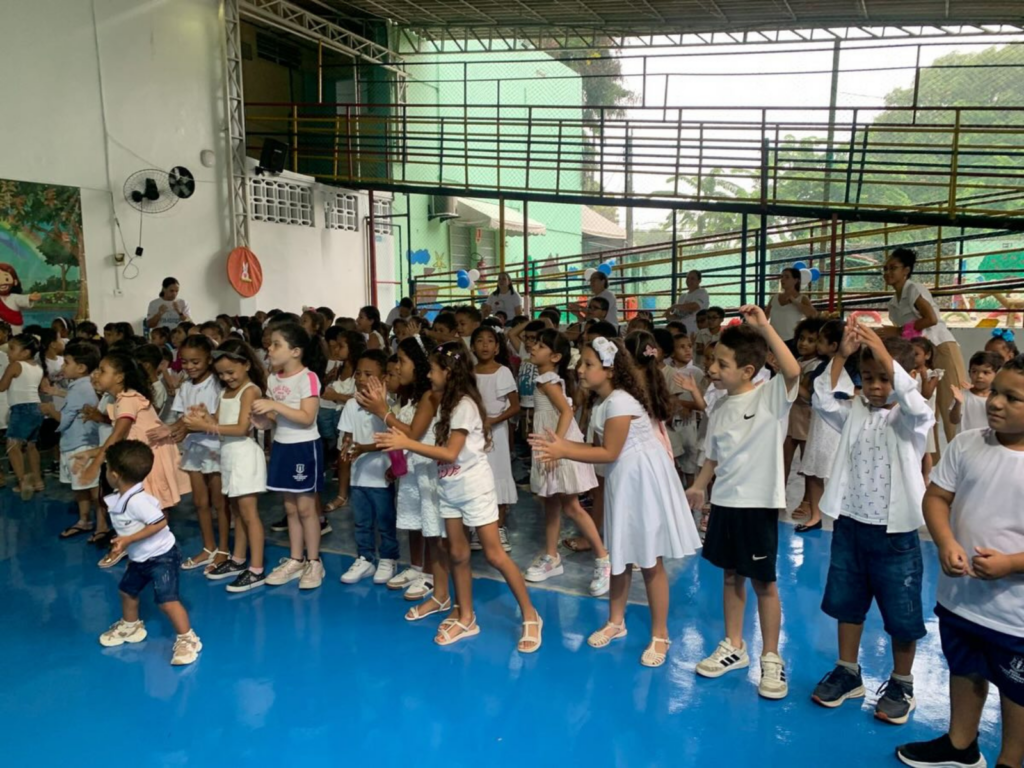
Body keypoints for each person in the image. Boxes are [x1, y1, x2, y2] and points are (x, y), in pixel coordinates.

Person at [530, 336, 701, 667]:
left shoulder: (620, 402)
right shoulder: (604, 402)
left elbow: (608, 451)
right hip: (625, 481)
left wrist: (563, 449)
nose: (580, 369)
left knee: (649, 560)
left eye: (588, 364)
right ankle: (616, 621)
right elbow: (603, 451)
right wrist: (561, 447)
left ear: (609, 370)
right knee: (619, 551)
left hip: (642, 484)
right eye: (581, 363)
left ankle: (660, 634)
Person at [896, 355, 1024, 768]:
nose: (995, 402)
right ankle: (960, 745)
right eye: (996, 392)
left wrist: (1011, 564)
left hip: (1014, 615)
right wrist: (946, 540)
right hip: (961, 597)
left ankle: (1011, 759)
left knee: (1017, 689)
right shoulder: (968, 443)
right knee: (964, 667)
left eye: (1012, 398)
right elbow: (937, 497)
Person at [375, 341, 543, 652]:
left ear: (449, 372)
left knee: (494, 554)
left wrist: (406, 443)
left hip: (474, 489)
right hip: (449, 487)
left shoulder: (464, 405)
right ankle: (466, 616)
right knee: (457, 553)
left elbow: (451, 452)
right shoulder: (445, 402)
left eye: (434, 370)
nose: (429, 375)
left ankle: (531, 615)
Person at [809, 326, 933, 725]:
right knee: (847, 603)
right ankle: (848, 672)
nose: (875, 387)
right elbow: (823, 399)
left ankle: (902, 683)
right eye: (868, 378)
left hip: (895, 535)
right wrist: (841, 357)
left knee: (902, 613)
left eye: (884, 378)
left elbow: (914, 402)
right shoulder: (856, 412)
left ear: (902, 377)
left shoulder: (911, 418)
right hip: (850, 527)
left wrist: (882, 350)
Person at [686, 305, 800, 700]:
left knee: (764, 582)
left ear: (748, 371)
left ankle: (771, 656)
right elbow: (713, 457)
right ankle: (735, 646)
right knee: (730, 576)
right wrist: (699, 487)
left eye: (722, 364)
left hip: (757, 505)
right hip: (725, 503)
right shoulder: (719, 406)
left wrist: (765, 328)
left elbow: (792, 370)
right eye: (713, 361)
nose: (712, 369)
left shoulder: (770, 397)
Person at [357, 338, 444, 611]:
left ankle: (431, 573)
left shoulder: (429, 396)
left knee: (429, 522)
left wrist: (382, 412)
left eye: (402, 361)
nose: (396, 366)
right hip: (412, 467)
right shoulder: (411, 396)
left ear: (419, 365)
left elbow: (414, 434)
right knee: (413, 520)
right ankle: (416, 566)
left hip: (427, 466)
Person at [97, 440, 201, 666]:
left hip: (162, 557)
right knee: (127, 591)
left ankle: (187, 638)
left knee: (167, 601)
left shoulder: (138, 501)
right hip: (140, 558)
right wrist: (125, 544)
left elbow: (160, 522)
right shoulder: (123, 497)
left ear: (114, 474)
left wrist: (128, 540)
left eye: (106, 467)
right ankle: (130, 626)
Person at [522, 330, 605, 595]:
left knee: (571, 506)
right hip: (553, 445)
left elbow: (567, 412)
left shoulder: (547, 380)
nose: (533, 347)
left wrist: (556, 444)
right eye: (535, 343)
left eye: (541, 345)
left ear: (555, 356)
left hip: (557, 447)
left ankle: (603, 558)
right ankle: (551, 556)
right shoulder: (548, 378)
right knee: (551, 503)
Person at [185, 339, 269, 592]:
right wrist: (206, 417)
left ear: (246, 365)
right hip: (229, 455)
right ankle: (238, 559)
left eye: (231, 372)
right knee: (237, 512)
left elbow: (242, 428)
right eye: (221, 374)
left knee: (249, 513)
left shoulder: (250, 390)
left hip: (244, 455)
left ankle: (256, 569)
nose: (226, 378)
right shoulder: (225, 392)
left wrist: (205, 426)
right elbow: (221, 423)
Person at [254, 322, 326, 590]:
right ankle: (296, 559)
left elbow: (307, 418)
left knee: (306, 509)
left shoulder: (309, 378)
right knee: (290, 508)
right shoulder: (273, 379)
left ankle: (314, 561)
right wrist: (263, 419)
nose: (270, 349)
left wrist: (274, 405)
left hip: (304, 447)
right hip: (282, 446)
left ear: (295, 351)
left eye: (276, 344)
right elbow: (277, 418)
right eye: (270, 344)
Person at [883, 247, 966, 444]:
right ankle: (931, 459)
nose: (887, 272)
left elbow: (931, 319)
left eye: (893, 268)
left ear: (906, 270)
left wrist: (898, 331)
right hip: (920, 355)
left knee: (950, 403)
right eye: (885, 269)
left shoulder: (914, 289)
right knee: (927, 407)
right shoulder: (892, 304)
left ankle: (959, 452)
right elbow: (906, 333)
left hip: (940, 346)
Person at [338, 349, 397, 586]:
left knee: (385, 521)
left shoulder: (388, 406)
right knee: (361, 521)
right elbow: (348, 435)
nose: (361, 378)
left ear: (383, 378)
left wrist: (363, 448)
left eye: (368, 374)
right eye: (358, 373)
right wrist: (347, 446)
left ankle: (389, 558)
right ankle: (365, 558)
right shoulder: (351, 404)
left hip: (381, 475)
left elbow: (391, 440)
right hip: (358, 475)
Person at [170, 336, 227, 573]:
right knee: (199, 502)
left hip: (214, 449)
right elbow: (181, 418)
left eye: (196, 362)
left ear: (209, 359)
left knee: (219, 503)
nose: (190, 366)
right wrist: (172, 431)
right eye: (185, 362)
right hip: (193, 449)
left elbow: (214, 420)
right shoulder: (185, 387)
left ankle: (224, 550)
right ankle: (208, 547)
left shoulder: (217, 385)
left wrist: (187, 427)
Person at [44, 342, 101, 539]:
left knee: (90, 486)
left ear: (81, 367)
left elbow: (64, 419)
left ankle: (98, 524)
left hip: (80, 443)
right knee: (81, 487)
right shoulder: (81, 385)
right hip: (78, 441)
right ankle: (86, 520)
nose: (63, 366)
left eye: (67, 363)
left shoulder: (81, 387)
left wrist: (49, 410)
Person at [794, 319, 844, 532]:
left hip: (839, 424)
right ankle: (816, 516)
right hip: (819, 423)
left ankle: (843, 515)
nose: (816, 345)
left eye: (820, 340)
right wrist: (792, 378)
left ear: (834, 345)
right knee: (814, 471)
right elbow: (811, 396)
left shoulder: (852, 367)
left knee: (839, 471)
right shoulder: (822, 367)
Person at [471, 325, 518, 550]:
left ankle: (499, 528)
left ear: (497, 347)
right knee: (476, 478)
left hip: (496, 433)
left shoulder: (502, 372)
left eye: (490, 341)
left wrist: (493, 421)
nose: (485, 345)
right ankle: (478, 529)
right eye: (480, 341)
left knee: (498, 476)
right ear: (472, 346)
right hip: (474, 432)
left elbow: (515, 406)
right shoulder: (470, 373)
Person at [0, 333, 44, 498]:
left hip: (21, 409)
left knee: (12, 445)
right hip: (36, 408)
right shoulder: (37, 367)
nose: (8, 352)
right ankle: (38, 480)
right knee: (31, 446)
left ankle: (22, 481)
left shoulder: (15, 365)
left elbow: (2, 386)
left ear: (25, 352)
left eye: (12, 349)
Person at [950, 351, 1002, 433]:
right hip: (966, 440)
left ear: (996, 375)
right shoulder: (962, 395)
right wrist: (958, 403)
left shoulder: (1000, 398)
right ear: (969, 373)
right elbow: (954, 420)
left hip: (990, 440)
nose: (979, 376)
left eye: (985, 372)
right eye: (974, 372)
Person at [766, 268, 817, 343]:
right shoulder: (775, 297)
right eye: (782, 277)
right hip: (773, 339)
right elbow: (765, 316)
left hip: (791, 340)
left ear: (796, 280)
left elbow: (813, 315)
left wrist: (795, 302)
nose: (782, 280)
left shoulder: (802, 298)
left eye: (787, 277)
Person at [666, 270, 710, 336]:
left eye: (692, 278)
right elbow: (677, 315)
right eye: (687, 278)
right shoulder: (682, 296)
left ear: (699, 281)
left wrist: (675, 306)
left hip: (694, 331)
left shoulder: (702, 292)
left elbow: (694, 307)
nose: (689, 280)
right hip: (681, 331)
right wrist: (668, 315)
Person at [0, 263, 41, 335]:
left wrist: (29, 298)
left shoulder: (14, 297)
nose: (2, 283)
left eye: (6, 279)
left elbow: (22, 300)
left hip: (15, 329)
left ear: (15, 281)